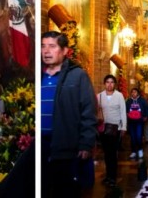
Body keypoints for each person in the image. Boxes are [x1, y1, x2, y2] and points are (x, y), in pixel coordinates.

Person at [40, 31, 96, 198]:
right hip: (38, 147)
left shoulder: (77, 75)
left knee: (65, 191)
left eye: (52, 46)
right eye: (43, 46)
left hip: (65, 146)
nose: (46, 51)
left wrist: (86, 143)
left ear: (64, 51)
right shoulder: (37, 75)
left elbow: (88, 109)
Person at [97, 74, 126, 186]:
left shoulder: (119, 96)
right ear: (104, 84)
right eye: (107, 82)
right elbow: (96, 110)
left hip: (115, 128)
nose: (109, 84)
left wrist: (123, 127)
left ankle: (113, 177)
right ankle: (108, 176)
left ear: (115, 84)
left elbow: (123, 112)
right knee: (106, 153)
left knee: (113, 154)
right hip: (103, 128)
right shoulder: (99, 96)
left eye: (112, 82)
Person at [125, 88, 148, 158]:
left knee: (139, 136)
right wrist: (127, 113)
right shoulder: (128, 101)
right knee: (132, 137)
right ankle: (133, 151)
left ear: (137, 93)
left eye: (135, 92)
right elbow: (125, 109)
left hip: (139, 121)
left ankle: (140, 149)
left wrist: (146, 116)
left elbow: (147, 108)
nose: (133, 93)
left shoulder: (142, 100)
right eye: (132, 92)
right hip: (131, 121)